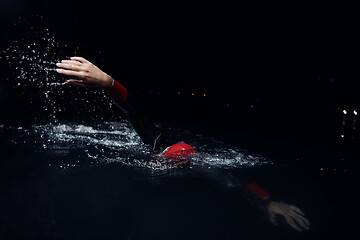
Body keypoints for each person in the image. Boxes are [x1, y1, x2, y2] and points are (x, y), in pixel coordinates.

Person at [55, 56, 310, 232]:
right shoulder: (160, 147)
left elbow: (232, 179)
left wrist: (267, 201)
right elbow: (137, 114)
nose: (161, 162)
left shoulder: (187, 160)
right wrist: (109, 83)